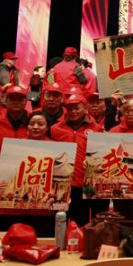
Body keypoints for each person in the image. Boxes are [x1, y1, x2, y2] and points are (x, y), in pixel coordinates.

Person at [50, 94, 103, 226]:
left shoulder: (97, 129)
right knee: (58, 222)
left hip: (83, 184)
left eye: (77, 108)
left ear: (85, 108)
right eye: (70, 108)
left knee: (80, 223)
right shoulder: (55, 129)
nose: (73, 111)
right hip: (60, 185)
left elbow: (100, 155)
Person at [0, 85, 29, 231]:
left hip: (28, 187)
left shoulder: (34, 124)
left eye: (20, 99)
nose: (16, 102)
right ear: (5, 100)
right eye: (12, 98)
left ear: (25, 101)